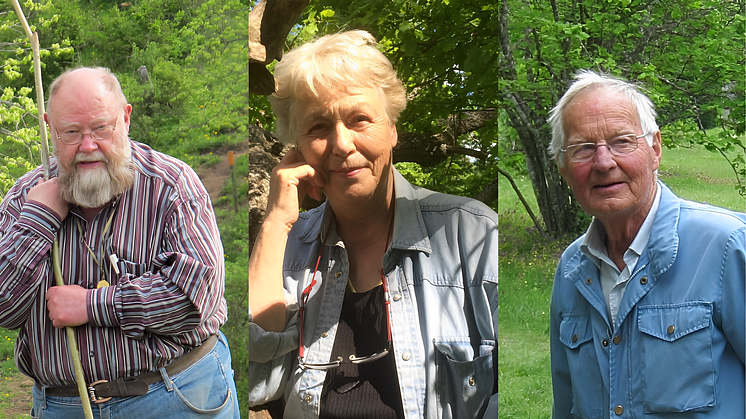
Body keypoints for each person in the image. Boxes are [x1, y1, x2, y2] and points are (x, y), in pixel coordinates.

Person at [248, 30, 497, 418]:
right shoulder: (290, 244)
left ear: (393, 128)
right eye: (317, 127)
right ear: (295, 148)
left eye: (359, 119)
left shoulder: (473, 236)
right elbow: (257, 380)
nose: (342, 144)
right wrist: (276, 222)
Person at [0, 67, 239, 418]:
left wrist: (92, 305)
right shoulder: (24, 197)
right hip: (64, 406)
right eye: (71, 132)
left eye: (101, 127)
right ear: (50, 127)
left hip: (178, 395)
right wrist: (38, 221)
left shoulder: (170, 185)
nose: (87, 145)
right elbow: (5, 308)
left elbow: (196, 298)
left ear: (125, 118)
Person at [548, 70, 745, 418]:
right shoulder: (571, 268)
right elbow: (566, 405)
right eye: (583, 149)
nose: (604, 162)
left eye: (622, 142)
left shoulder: (727, 246)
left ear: (655, 149)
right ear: (563, 168)